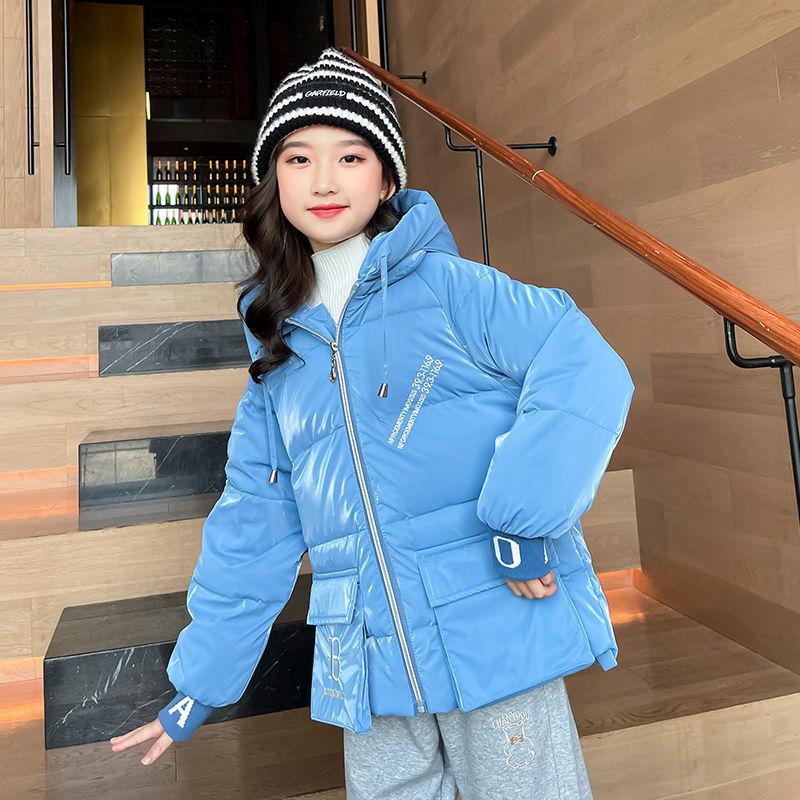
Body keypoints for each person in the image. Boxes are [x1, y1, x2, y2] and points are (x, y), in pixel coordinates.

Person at [108, 46, 635, 800]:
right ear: (274, 180)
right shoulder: (278, 348)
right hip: (365, 657)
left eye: (350, 156)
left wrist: (524, 519)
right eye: (298, 158)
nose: (324, 180)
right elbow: (255, 521)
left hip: (492, 625)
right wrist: (201, 681)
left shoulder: (452, 290)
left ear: (386, 178)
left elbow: (584, 364)